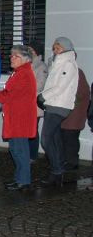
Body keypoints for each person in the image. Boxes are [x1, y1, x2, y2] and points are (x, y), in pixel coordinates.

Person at [0, 46, 38, 191]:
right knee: (15, 150)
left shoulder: (23, 74)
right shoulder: (19, 72)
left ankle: (24, 181)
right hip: (16, 117)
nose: (11, 58)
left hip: (20, 119)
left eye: (15, 56)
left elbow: (9, 94)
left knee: (20, 151)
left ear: (24, 59)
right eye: (11, 55)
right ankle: (19, 178)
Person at [39, 37, 79, 187]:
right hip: (52, 103)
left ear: (66, 48)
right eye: (54, 48)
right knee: (55, 139)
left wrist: (42, 96)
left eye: (58, 48)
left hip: (58, 105)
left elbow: (60, 86)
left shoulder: (68, 64)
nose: (55, 50)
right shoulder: (57, 62)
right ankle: (58, 171)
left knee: (46, 139)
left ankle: (56, 170)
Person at [60, 67, 89, 174]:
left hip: (74, 112)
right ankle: (66, 161)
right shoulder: (66, 70)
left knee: (70, 137)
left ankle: (72, 162)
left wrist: (68, 100)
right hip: (67, 111)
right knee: (65, 137)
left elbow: (82, 93)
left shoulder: (77, 72)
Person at [27, 45, 48, 162]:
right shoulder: (25, 63)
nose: (29, 51)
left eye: (31, 49)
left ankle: (32, 155)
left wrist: (24, 86)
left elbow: (40, 85)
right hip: (24, 103)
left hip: (34, 104)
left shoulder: (41, 66)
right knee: (25, 130)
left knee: (32, 130)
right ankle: (25, 153)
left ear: (36, 51)